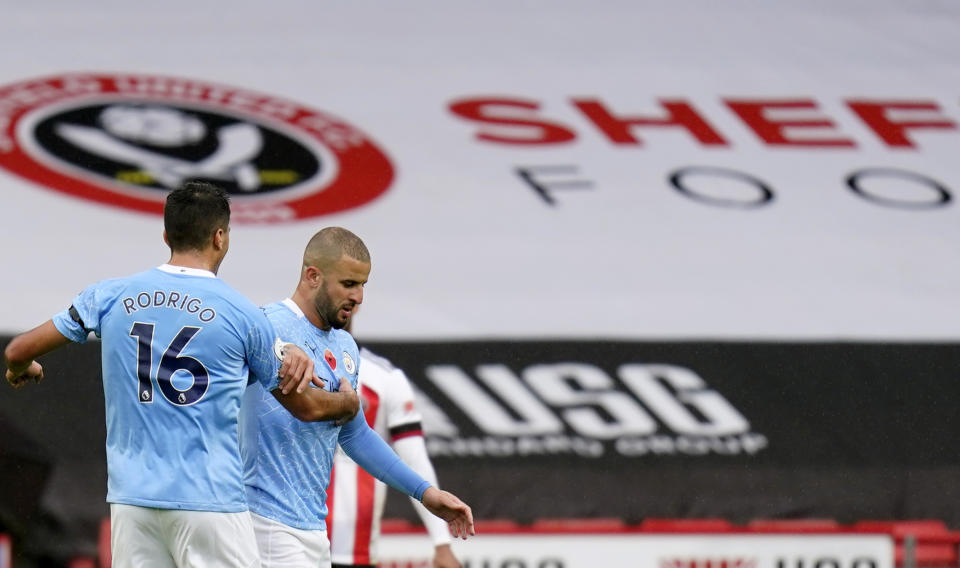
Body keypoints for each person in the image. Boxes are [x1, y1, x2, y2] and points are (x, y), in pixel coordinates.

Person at [3, 181, 359, 568]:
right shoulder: (241, 314)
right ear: (220, 237)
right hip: (210, 502)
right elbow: (306, 407)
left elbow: (18, 350)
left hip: (132, 501)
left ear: (166, 235)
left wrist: (24, 367)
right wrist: (347, 401)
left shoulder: (110, 296)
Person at [239, 227, 474, 568]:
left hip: (313, 530)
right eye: (349, 284)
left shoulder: (344, 347)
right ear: (313, 276)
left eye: (363, 284)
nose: (359, 297)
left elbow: (355, 434)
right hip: (265, 523)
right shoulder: (265, 327)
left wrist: (425, 493)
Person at [327, 321, 461, 568]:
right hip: (292, 543)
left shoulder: (385, 378)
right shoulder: (289, 364)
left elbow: (415, 461)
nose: (353, 296)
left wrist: (442, 542)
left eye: (355, 286)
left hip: (356, 552)